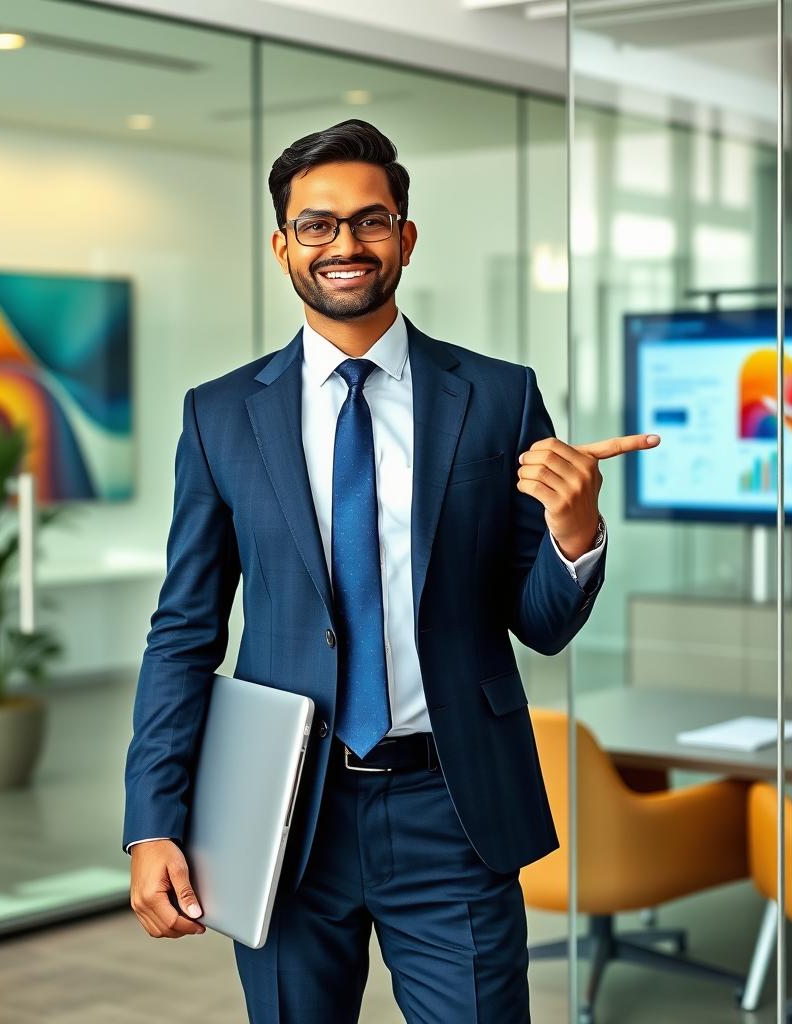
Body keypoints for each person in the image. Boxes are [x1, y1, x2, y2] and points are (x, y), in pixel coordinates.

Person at [124, 118, 659, 1023]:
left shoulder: (497, 395)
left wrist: (575, 527)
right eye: (317, 224)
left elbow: (542, 622)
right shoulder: (219, 416)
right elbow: (184, 630)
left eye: (370, 221)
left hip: (451, 806)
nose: (345, 244)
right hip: (284, 811)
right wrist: (153, 819)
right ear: (282, 244)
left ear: (405, 236)